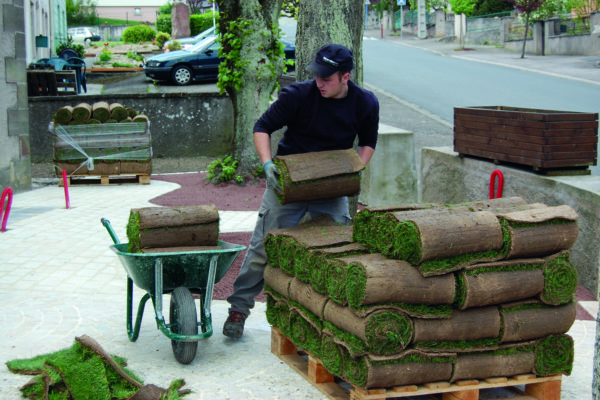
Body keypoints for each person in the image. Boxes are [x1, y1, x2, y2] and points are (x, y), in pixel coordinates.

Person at [223, 43, 380, 338]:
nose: (319, 82)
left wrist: (355, 167)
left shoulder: (365, 103)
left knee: (334, 252)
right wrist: (268, 163)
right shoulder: (297, 95)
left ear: (345, 77)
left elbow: (368, 141)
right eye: (317, 76)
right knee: (263, 247)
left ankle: (328, 319)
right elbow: (262, 126)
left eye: (327, 78)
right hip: (288, 183)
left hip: (330, 187)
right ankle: (239, 308)